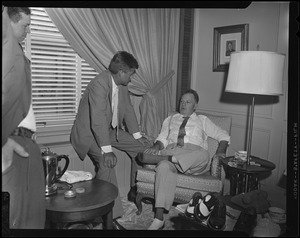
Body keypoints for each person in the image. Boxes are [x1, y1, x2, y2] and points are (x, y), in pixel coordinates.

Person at [70, 51, 152, 230]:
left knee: (141, 149)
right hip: (89, 133)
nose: (131, 79)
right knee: (107, 163)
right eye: (130, 74)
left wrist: (138, 136)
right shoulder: (99, 84)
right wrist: (106, 151)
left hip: (107, 130)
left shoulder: (122, 86)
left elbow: (129, 110)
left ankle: (134, 191)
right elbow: (97, 118)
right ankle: (105, 218)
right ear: (122, 72)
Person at [138, 89, 230, 230]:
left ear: (195, 105)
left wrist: (221, 151)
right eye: (181, 101)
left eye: (188, 102)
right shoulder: (170, 120)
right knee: (163, 167)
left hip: (194, 159)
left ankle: (167, 158)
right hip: (172, 152)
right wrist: (156, 146)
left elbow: (222, 135)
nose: (183, 104)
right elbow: (162, 138)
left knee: (205, 155)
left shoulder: (202, 120)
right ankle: (158, 218)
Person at [2, 6, 45, 229]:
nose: (28, 30)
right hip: (12, 142)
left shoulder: (16, 54)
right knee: (15, 218)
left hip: (26, 142)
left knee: (32, 217)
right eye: (25, 25)